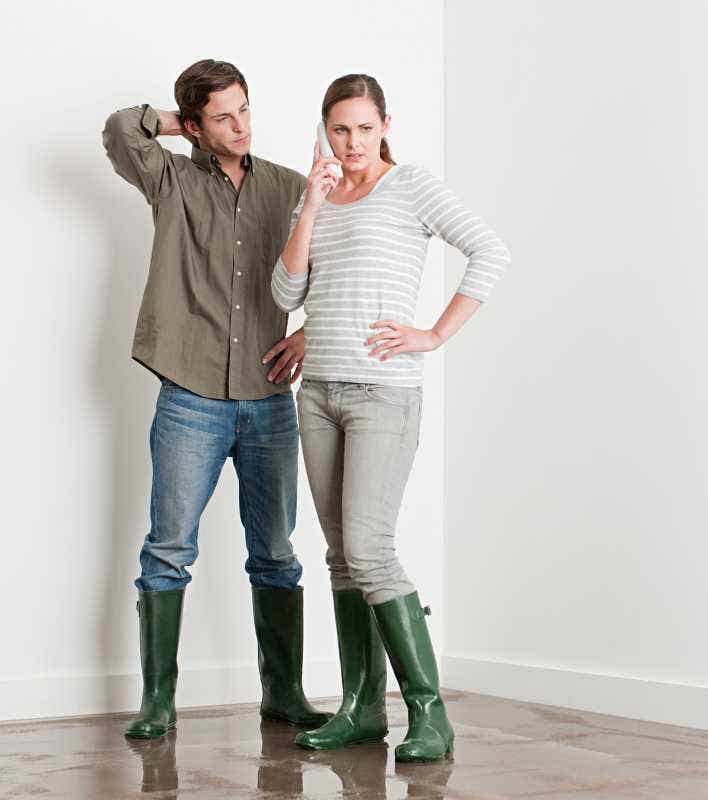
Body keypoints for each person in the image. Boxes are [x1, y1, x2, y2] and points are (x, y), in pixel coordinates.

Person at [271, 74, 511, 762]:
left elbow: (490, 251)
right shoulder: (316, 196)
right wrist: (311, 208)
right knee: (343, 557)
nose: (351, 143)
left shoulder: (411, 187)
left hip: (384, 393)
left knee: (371, 550)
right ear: (324, 129)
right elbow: (287, 292)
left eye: (364, 128)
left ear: (385, 125)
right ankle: (359, 709)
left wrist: (433, 334)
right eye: (339, 129)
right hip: (316, 394)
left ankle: (429, 715)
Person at [102, 59, 329, 740]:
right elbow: (120, 130)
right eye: (223, 116)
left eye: (245, 110)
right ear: (198, 126)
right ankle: (159, 704)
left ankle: (283, 695)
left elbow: (343, 265)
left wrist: (312, 332)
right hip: (189, 394)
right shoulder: (169, 177)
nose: (241, 125)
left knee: (277, 552)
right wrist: (184, 127)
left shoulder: (288, 187)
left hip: (267, 398)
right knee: (167, 550)